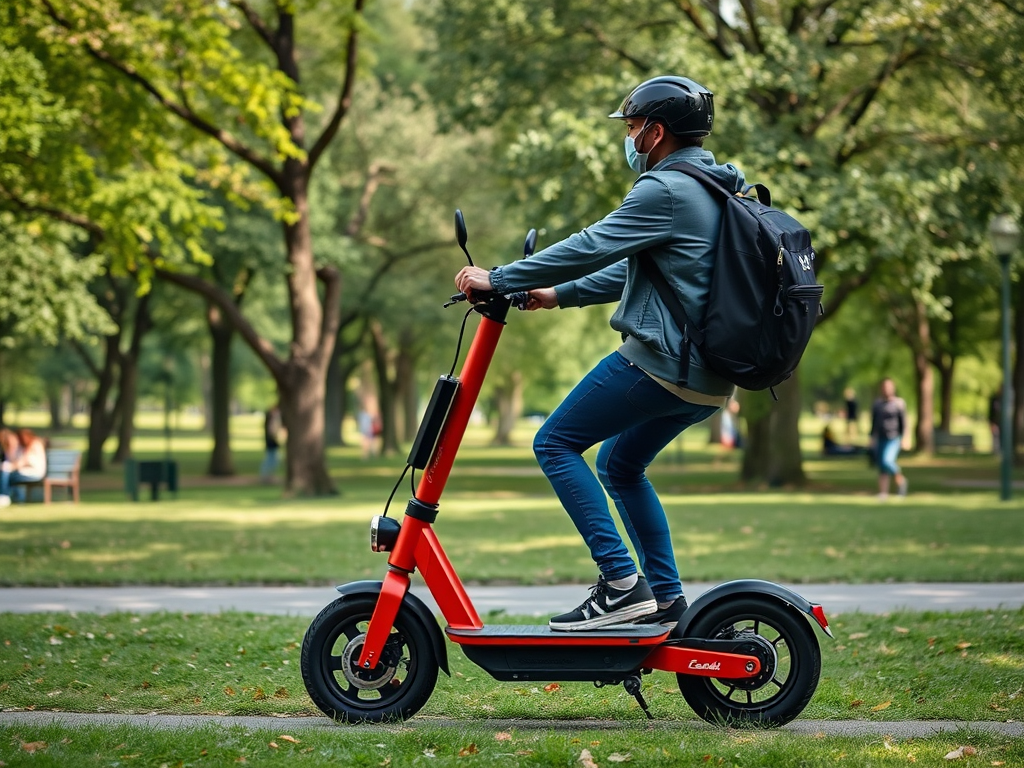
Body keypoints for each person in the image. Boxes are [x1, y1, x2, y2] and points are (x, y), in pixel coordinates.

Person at [455, 76, 740, 631]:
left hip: (661, 365)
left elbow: (593, 245)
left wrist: (498, 277)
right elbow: (638, 270)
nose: (629, 138)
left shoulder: (665, 190)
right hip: (708, 378)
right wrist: (555, 295)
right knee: (619, 463)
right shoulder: (712, 187)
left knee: (554, 441)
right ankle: (664, 596)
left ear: (655, 132)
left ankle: (620, 583)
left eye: (632, 127)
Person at [869, 378, 910, 500]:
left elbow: (904, 423)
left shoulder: (899, 404)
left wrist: (905, 438)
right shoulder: (877, 404)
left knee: (887, 461)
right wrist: (871, 437)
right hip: (880, 438)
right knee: (881, 465)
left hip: (893, 437)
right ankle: (883, 493)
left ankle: (901, 480)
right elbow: (874, 423)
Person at [0, 427, 48, 506]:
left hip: (34, 473)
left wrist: (9, 467)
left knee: (6, 474)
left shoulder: (34, 444)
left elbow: (22, 462)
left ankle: (5, 496)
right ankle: (10, 496)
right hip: (26, 472)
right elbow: (14, 459)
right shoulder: (26, 447)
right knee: (5, 474)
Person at [259, 404, 282, 484]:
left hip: (271, 442)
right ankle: (266, 476)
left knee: (272, 459)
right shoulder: (272, 419)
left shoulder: (271, 419)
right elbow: (272, 431)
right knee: (271, 459)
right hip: (271, 442)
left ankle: (268, 476)